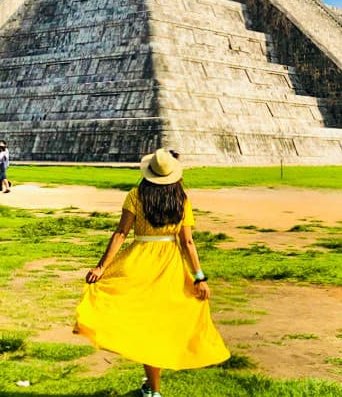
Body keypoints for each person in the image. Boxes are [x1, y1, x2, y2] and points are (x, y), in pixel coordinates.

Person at [73, 148, 229, 397]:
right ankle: (153, 388)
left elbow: (121, 233)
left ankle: (153, 388)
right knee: (157, 325)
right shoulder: (182, 200)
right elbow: (188, 242)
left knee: (144, 323)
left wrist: (101, 267)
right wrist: (200, 277)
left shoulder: (135, 195)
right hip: (169, 265)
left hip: (139, 262)